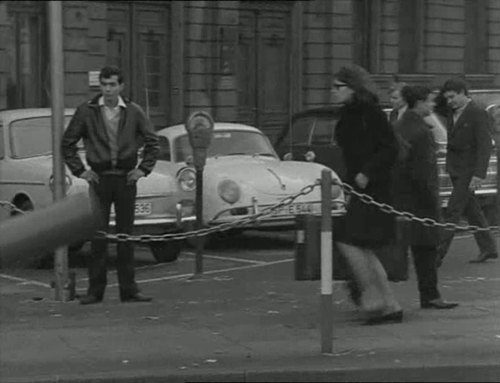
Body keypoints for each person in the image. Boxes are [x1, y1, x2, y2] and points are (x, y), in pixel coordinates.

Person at [62, 65, 160, 304]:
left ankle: (129, 289)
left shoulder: (134, 111)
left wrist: (142, 169)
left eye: (112, 85)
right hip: (100, 178)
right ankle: (96, 291)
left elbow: (152, 142)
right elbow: (68, 143)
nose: (107, 90)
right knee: (98, 237)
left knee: (126, 236)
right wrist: (82, 171)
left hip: (126, 178)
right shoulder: (87, 111)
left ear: (121, 86)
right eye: (104, 85)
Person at [330, 65, 403, 325]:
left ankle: (373, 297)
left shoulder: (369, 112)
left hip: (375, 189)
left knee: (349, 240)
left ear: (353, 88)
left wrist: (367, 173)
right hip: (360, 189)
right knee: (361, 245)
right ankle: (390, 304)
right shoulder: (350, 113)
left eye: (338, 87)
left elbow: (390, 148)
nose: (333, 91)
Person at [392, 85, 458, 309]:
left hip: (402, 196)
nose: (432, 105)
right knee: (426, 248)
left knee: (418, 248)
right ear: (418, 102)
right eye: (429, 101)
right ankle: (430, 295)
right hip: (420, 200)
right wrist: (433, 202)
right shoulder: (421, 131)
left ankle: (429, 294)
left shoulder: (402, 125)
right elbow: (423, 172)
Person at [437, 78, 498, 266]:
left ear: (464, 93)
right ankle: (488, 248)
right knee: (472, 211)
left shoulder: (477, 113)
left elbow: (485, 145)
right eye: (447, 98)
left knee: (453, 211)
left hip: (468, 171)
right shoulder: (450, 112)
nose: (450, 101)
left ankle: (437, 255)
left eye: (453, 97)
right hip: (456, 169)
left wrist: (479, 174)